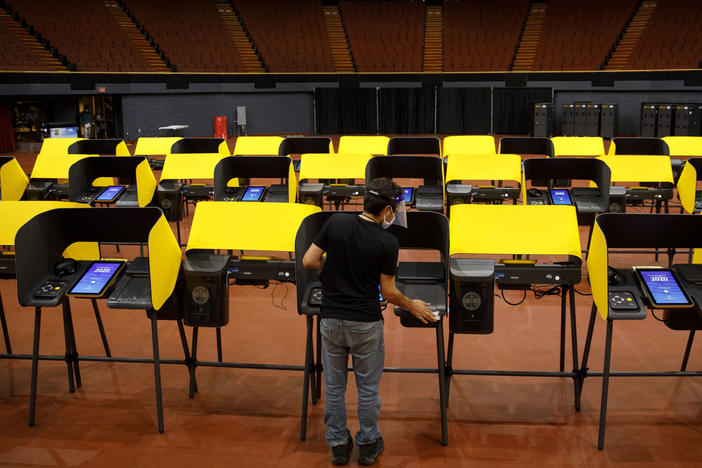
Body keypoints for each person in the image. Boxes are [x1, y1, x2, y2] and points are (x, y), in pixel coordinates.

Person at [302, 178, 437, 466]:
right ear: (387, 210)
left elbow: (310, 261)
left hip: (331, 320)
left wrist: (335, 265)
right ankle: (367, 443)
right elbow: (388, 291)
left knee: (334, 386)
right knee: (367, 388)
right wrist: (412, 304)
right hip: (364, 323)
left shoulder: (336, 222)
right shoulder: (388, 242)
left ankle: (338, 444)